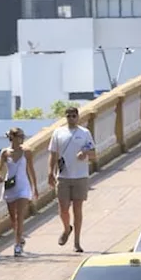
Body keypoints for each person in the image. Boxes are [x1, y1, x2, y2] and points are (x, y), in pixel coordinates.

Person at [48, 105, 97, 253]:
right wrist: (50, 172)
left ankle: (77, 242)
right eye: (68, 116)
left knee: (77, 209)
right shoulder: (58, 133)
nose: (71, 118)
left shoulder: (85, 133)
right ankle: (66, 228)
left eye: (73, 116)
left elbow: (94, 153)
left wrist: (85, 153)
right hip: (63, 176)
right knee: (63, 209)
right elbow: (53, 154)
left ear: (78, 117)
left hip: (80, 176)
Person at [0, 127, 38, 257]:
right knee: (13, 218)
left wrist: (34, 187)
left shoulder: (26, 152)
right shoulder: (5, 152)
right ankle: (19, 238)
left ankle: (17, 245)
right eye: (18, 136)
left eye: (21, 136)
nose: (21, 138)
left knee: (19, 216)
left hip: (23, 186)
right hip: (10, 186)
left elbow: (31, 170)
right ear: (12, 137)